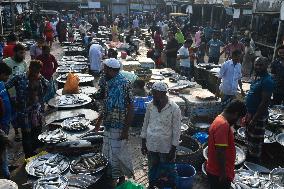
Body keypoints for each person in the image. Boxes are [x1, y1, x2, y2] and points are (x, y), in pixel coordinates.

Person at [94, 58, 133, 187]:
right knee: (108, 151)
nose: (103, 70)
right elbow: (106, 103)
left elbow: (131, 107)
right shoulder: (107, 81)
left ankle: (121, 178)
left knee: (118, 153)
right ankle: (111, 176)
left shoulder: (124, 83)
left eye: (105, 68)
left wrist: (126, 130)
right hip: (108, 123)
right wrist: (99, 121)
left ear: (111, 70)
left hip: (119, 125)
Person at [141, 81, 181, 188]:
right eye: (152, 94)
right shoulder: (150, 106)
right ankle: (152, 185)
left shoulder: (174, 108)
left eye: (155, 94)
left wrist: (173, 149)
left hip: (166, 147)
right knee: (152, 167)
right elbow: (145, 124)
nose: (153, 96)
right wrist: (143, 142)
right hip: (151, 144)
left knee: (168, 170)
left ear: (163, 94)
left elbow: (176, 130)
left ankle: (169, 186)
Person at [5, 60, 48, 158]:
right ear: (30, 68)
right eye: (35, 71)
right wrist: (12, 100)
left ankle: (35, 152)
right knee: (26, 135)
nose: (36, 73)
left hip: (37, 111)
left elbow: (47, 86)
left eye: (38, 71)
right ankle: (28, 156)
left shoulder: (40, 78)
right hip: (24, 112)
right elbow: (5, 86)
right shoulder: (19, 78)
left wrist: (41, 78)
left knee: (37, 132)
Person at [206, 100, 247, 189]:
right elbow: (220, 152)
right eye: (238, 118)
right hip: (218, 173)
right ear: (236, 114)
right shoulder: (223, 125)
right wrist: (223, 174)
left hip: (215, 169)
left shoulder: (219, 119)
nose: (237, 122)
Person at [243, 57, 274, 163]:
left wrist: (254, 119)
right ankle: (248, 157)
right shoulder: (257, 77)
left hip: (258, 116)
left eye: (261, 65)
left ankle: (254, 162)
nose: (258, 67)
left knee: (256, 141)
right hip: (250, 113)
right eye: (256, 64)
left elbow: (264, 103)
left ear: (267, 65)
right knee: (248, 138)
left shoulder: (267, 81)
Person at [3, 43, 28, 141]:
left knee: (21, 112)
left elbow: (26, 77)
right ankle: (17, 132)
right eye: (21, 53)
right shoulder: (6, 62)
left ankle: (23, 130)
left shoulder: (24, 63)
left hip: (21, 93)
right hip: (9, 93)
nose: (23, 55)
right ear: (15, 52)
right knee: (13, 113)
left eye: (24, 53)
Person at [0, 63, 12, 179]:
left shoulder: (2, 83)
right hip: (1, 124)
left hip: (6, 121)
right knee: (3, 147)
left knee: (5, 147)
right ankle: (5, 174)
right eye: (6, 76)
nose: (7, 78)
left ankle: (6, 165)